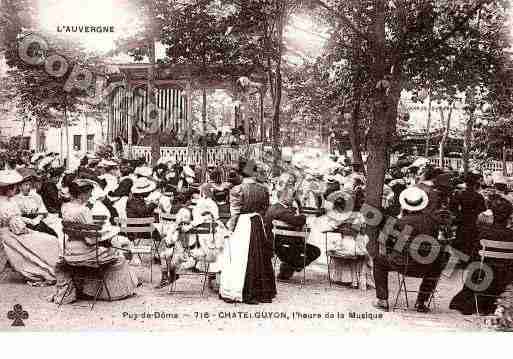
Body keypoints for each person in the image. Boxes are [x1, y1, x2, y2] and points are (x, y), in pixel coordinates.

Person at [50, 179, 138, 304]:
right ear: (81, 194)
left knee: (109, 250)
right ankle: (114, 292)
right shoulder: (83, 210)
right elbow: (91, 240)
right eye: (89, 193)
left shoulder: (65, 207)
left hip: (69, 251)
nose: (91, 196)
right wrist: (105, 235)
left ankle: (87, 289)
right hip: (85, 253)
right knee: (119, 256)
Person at [373, 187, 449, 313]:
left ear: (405, 205)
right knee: (436, 265)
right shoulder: (432, 222)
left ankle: (382, 300)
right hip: (428, 267)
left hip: (404, 264)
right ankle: (421, 302)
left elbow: (386, 242)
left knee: (379, 260)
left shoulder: (401, 222)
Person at [220, 159, 276, 304]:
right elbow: (265, 209)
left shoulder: (237, 189)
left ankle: (243, 290)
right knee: (258, 256)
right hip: (258, 223)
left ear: (241, 173)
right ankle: (262, 291)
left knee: (241, 256)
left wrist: (229, 230)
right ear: (254, 172)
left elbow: (235, 213)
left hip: (243, 224)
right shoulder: (264, 189)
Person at [450, 197, 513, 315]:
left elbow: (474, 258)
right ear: (509, 216)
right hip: (506, 277)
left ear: (493, 214)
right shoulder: (511, 235)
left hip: (483, 276)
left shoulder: (484, 233)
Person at [0, 170, 59, 286]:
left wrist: (29, 222)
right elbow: (15, 225)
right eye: (15, 187)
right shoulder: (4, 203)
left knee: (48, 237)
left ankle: (50, 266)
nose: (16, 190)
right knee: (47, 240)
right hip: (9, 232)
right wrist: (25, 228)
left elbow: (17, 218)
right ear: (9, 189)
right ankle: (44, 269)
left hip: (17, 228)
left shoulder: (9, 200)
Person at [265, 173, 320, 281]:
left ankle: (288, 268)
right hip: (283, 244)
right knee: (315, 251)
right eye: (292, 196)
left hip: (280, 242)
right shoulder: (281, 211)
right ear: (284, 197)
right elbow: (298, 221)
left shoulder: (275, 208)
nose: (293, 199)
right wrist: (302, 215)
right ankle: (292, 266)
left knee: (304, 250)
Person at [308, 190, 368, 288]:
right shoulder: (360, 215)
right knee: (347, 246)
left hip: (350, 247)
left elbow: (325, 229)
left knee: (335, 246)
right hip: (362, 247)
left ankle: (343, 278)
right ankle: (356, 280)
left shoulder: (341, 216)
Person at [449, 173, 487, 261]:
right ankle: (470, 257)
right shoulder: (478, 196)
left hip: (463, 218)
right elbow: (482, 210)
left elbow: (453, 208)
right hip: (473, 219)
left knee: (462, 237)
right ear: (475, 185)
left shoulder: (459, 194)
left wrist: (459, 215)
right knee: (471, 239)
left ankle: (462, 257)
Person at [13, 168, 58, 238]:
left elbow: (42, 211)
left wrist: (37, 219)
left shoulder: (36, 196)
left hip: (36, 222)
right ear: (19, 186)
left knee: (53, 235)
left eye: (29, 185)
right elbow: (15, 216)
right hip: (23, 224)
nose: (28, 187)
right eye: (26, 185)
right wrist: (28, 221)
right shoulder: (15, 199)